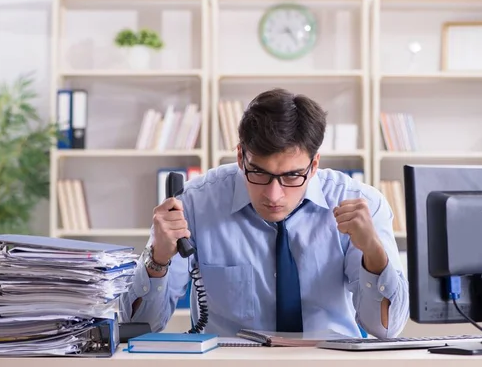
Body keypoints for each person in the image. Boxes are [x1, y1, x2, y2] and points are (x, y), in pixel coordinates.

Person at [119, 88, 409, 338]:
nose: (273, 195)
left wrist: (373, 253)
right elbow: (140, 327)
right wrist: (157, 259)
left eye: (293, 176)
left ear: (315, 164)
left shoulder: (362, 204)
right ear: (240, 156)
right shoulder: (195, 203)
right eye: (258, 172)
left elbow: (385, 329)